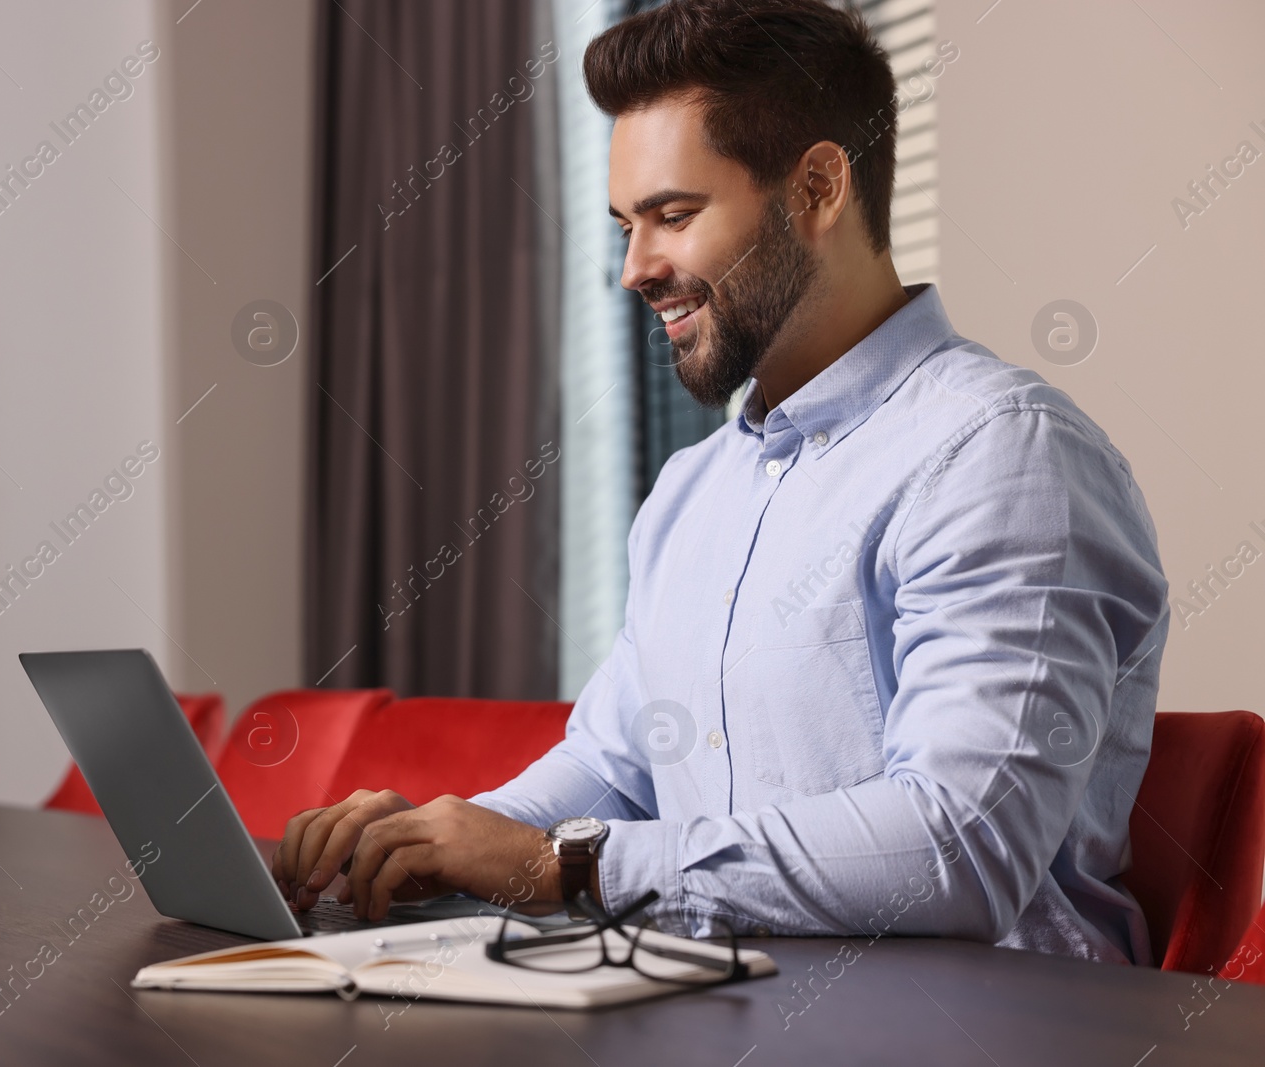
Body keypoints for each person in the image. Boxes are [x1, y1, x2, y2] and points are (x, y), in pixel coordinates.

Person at [273, 0, 1168, 964]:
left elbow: (961, 846)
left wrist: (562, 868)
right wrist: (442, 845)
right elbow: (614, 769)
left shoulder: (1001, 454)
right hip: (716, 1003)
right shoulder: (692, 491)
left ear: (819, 187)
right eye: (626, 224)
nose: (634, 268)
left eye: (673, 215)